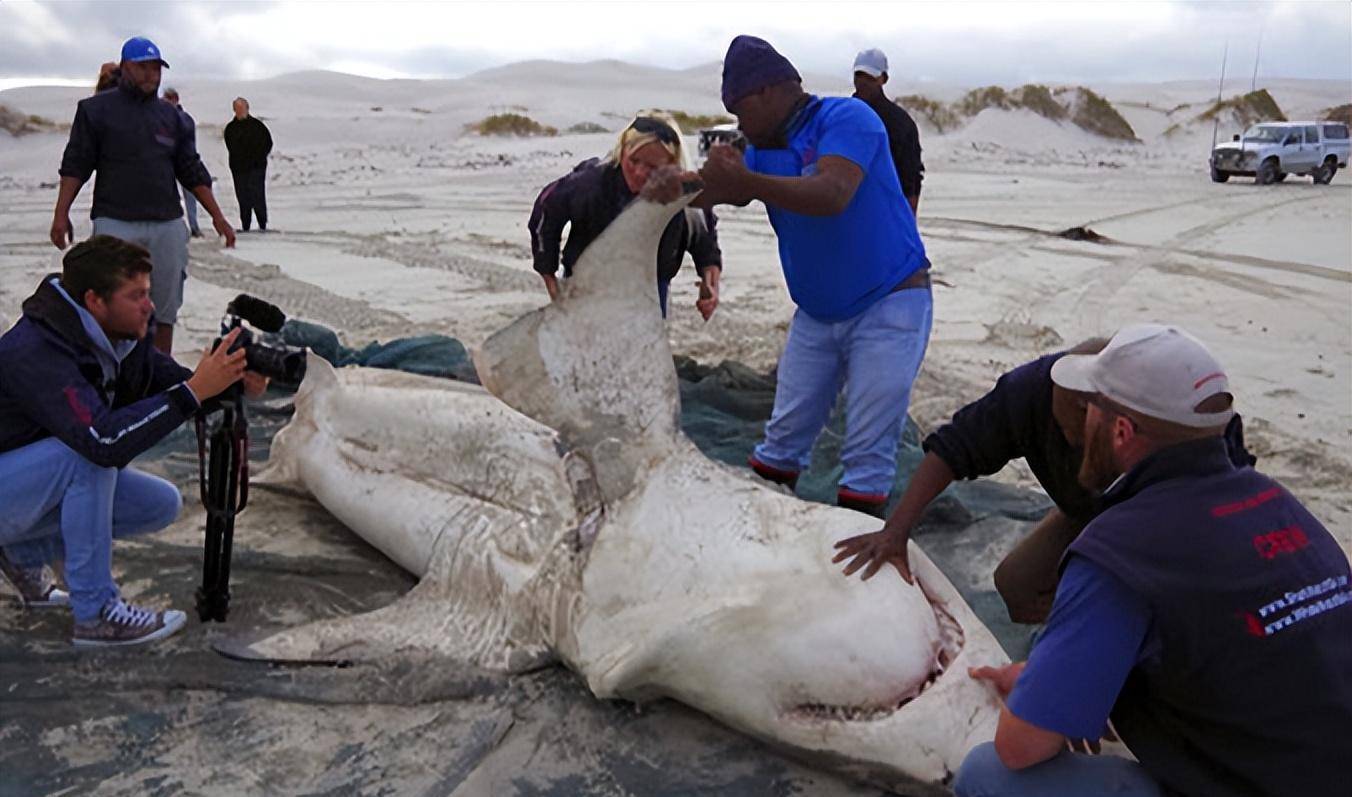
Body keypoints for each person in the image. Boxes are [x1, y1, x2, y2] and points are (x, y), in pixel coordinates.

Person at [952, 324, 1352, 797]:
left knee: (989, 775)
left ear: (1120, 430)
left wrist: (1046, 707)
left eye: (1090, 410)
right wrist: (1054, 680)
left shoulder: (1120, 549)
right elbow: (1241, 657)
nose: (1081, 427)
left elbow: (1021, 748)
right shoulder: (1277, 505)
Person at [832, 338, 1254, 623]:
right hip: (1086, 508)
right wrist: (896, 531)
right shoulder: (1028, 392)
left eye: (1080, 432)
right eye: (1062, 426)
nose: (1069, 439)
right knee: (1017, 584)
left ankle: (1119, 658)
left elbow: (1228, 502)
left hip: (1176, 526)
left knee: (1168, 614)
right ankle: (1077, 641)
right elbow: (951, 449)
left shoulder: (1176, 417)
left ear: (1113, 417)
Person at [697, 36, 932, 516]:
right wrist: (666, 188)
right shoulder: (762, 147)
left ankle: (855, 561)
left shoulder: (846, 119)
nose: (739, 125)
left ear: (765, 92)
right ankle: (761, 530)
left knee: (867, 452)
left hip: (889, 302)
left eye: (739, 111)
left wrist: (746, 181)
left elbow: (832, 192)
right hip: (818, 313)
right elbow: (720, 190)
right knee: (781, 440)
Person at [0, 236, 267, 646]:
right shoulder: (35, 349)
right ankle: (97, 615)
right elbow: (104, 441)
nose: (150, 306)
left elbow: (167, 382)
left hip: (21, 482)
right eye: (137, 295)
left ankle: (22, 554)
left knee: (159, 504)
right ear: (94, 300)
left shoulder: (120, 335)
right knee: (89, 457)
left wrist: (227, 382)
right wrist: (194, 391)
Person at [52, 36, 236, 356]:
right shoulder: (95, 111)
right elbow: (76, 164)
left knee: (163, 307)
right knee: (112, 306)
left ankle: (157, 371)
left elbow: (190, 169)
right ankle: (113, 373)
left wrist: (218, 217)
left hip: (166, 223)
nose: (151, 74)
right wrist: (60, 213)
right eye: (143, 67)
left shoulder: (174, 118)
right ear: (125, 67)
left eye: (156, 68)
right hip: (115, 222)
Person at [529, 112, 723, 320]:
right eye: (633, 161)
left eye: (652, 167)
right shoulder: (589, 184)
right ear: (622, 153)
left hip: (651, 287)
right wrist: (550, 278)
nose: (639, 172)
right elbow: (546, 210)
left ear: (672, 165)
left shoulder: (686, 195)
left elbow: (705, 238)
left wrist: (709, 280)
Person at [851, 48, 924, 216]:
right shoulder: (841, 116)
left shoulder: (900, 122)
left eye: (870, 77)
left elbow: (911, 177)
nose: (863, 82)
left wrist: (907, 223)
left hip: (886, 210)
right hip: (847, 208)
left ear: (883, 79)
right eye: (859, 75)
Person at [223, 97, 273, 233]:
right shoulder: (231, 128)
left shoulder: (257, 126)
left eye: (242, 108)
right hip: (239, 169)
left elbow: (268, 143)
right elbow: (230, 146)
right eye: (237, 108)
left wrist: (259, 159)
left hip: (256, 168)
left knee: (258, 195)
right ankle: (246, 225)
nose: (240, 111)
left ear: (247, 108)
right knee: (243, 197)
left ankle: (262, 224)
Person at [162, 88, 202, 238]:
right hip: (169, 163)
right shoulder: (166, 117)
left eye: (167, 100)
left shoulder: (183, 118)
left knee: (190, 195)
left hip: (184, 162)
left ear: (175, 100)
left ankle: (194, 226)